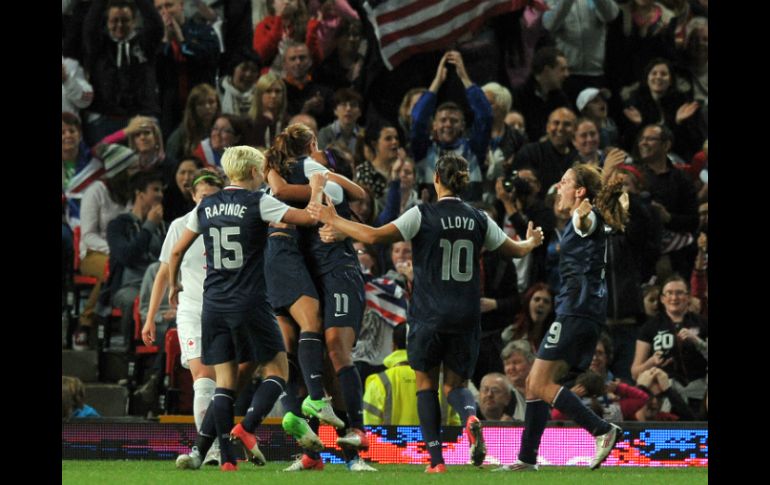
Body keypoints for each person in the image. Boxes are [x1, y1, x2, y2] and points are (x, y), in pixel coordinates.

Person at [308, 152, 544, 473]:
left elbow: (376, 236)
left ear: (436, 179)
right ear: (465, 181)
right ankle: (470, 417)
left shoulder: (422, 214)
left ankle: (436, 462)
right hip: (466, 314)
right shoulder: (478, 217)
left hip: (428, 314)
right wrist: (531, 242)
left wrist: (335, 219)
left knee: (425, 386)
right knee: (456, 387)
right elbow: (514, 250)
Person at [170, 146, 322, 471]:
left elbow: (176, 253)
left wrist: (173, 285)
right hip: (250, 301)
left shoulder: (206, 205)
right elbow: (309, 217)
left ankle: (226, 460)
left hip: (213, 304)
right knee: (278, 370)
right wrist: (319, 186)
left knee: (224, 383)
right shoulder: (258, 201)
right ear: (255, 173)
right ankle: (248, 428)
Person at [493, 163, 628, 472]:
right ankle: (527, 458)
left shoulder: (585, 215)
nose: (559, 184)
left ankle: (602, 430)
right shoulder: (581, 220)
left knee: (539, 383)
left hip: (577, 311)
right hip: (583, 311)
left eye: (566, 181)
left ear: (580, 191)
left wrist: (583, 210)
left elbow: (586, 219)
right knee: (534, 383)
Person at [264, 124, 374, 472]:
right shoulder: (299, 179)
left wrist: (336, 220)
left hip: (338, 271)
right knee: (309, 360)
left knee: (335, 351)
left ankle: (356, 439)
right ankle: (314, 455)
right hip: (312, 276)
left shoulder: (309, 175)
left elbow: (352, 194)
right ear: (311, 146)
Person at [142, 168, 224, 464]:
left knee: (222, 383)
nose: (207, 203)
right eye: (203, 197)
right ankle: (209, 449)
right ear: (193, 197)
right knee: (202, 378)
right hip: (191, 309)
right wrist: (150, 317)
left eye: (214, 197)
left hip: (225, 309)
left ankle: (218, 443)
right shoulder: (180, 226)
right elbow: (164, 273)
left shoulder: (231, 226)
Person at [410, 50, 493, 202]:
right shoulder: (424, 150)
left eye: (454, 121)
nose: (448, 124)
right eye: (443, 120)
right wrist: (437, 82)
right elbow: (417, 120)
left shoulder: (473, 150)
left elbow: (486, 117)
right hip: (433, 223)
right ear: (434, 125)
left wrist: (464, 77)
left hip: (467, 222)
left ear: (463, 126)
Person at [105, 170, 167, 352]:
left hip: (158, 286)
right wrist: (149, 226)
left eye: (161, 191)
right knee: (135, 302)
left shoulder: (164, 227)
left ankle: (161, 356)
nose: (160, 195)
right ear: (139, 194)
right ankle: (130, 355)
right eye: (155, 190)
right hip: (129, 287)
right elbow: (126, 255)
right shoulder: (117, 225)